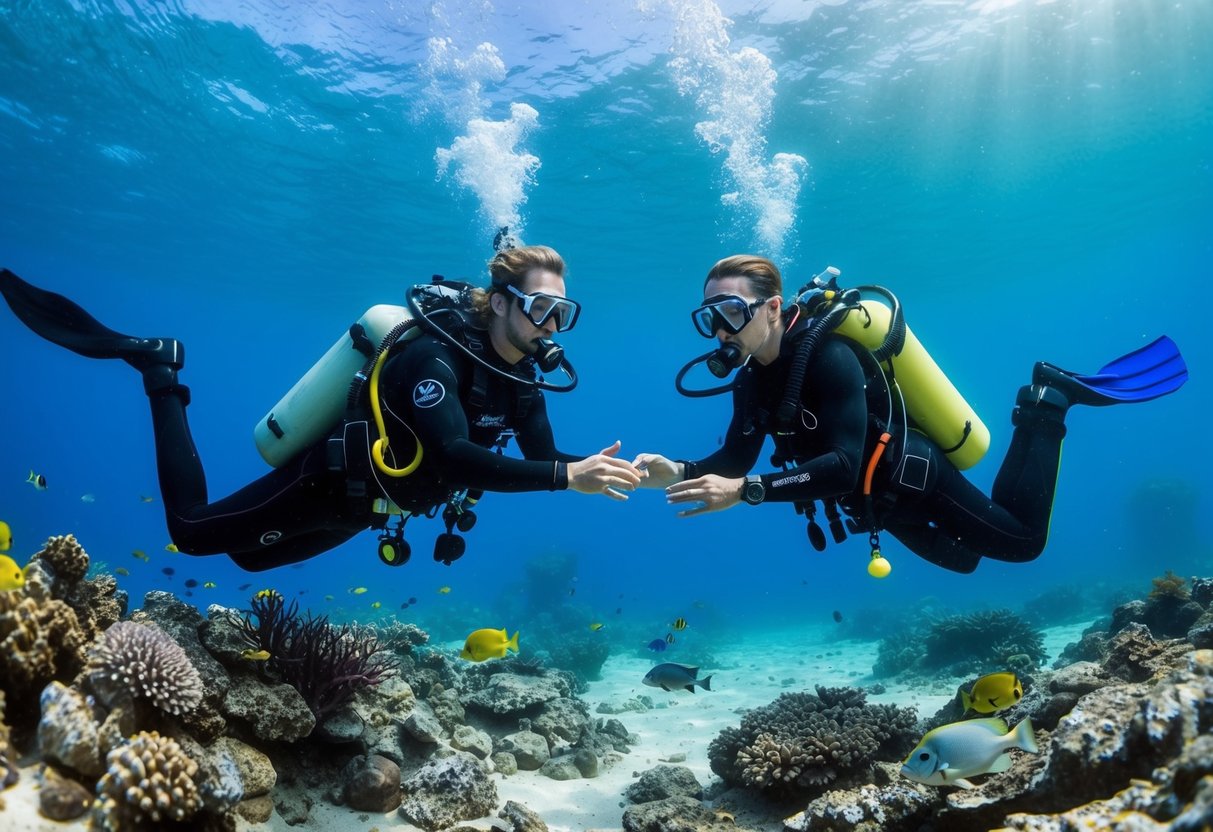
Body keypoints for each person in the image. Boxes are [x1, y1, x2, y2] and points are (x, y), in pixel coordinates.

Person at [0, 245, 642, 571]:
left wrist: (607, 466)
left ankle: (162, 374)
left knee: (250, 557)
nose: (551, 327)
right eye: (540, 308)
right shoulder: (434, 358)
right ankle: (161, 371)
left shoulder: (525, 380)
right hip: (332, 484)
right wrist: (566, 478)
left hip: (373, 510)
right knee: (191, 534)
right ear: (501, 302)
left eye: (563, 313)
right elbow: (453, 455)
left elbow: (543, 458)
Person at [633, 255, 1188, 574]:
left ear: (773, 307)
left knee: (1022, 545)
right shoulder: (752, 378)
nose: (721, 330)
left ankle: (1047, 404)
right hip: (880, 505)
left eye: (730, 311)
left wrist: (748, 491)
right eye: (709, 318)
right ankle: (1043, 403)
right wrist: (678, 471)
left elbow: (843, 465)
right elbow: (735, 457)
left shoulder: (829, 357)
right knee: (965, 562)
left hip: (910, 477)